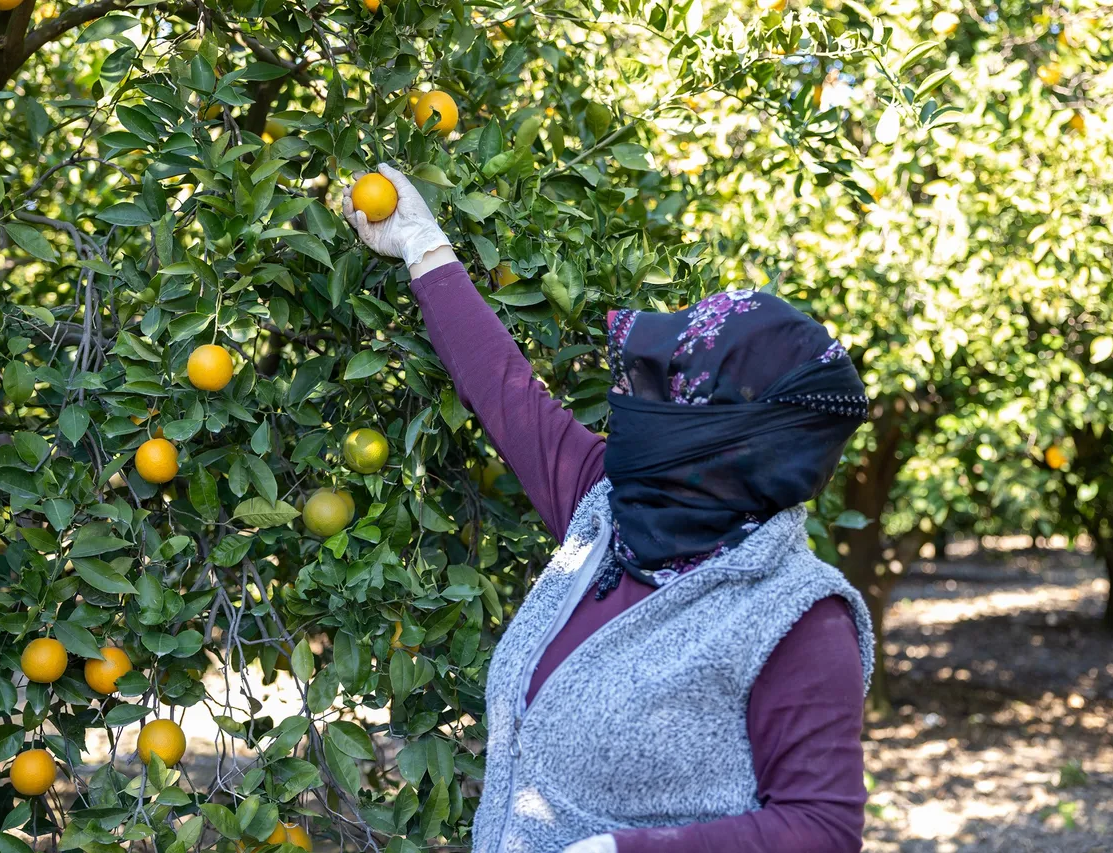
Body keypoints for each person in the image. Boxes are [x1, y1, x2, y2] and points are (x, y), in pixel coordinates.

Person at [343, 164, 875, 853]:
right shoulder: (613, 510)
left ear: (731, 440)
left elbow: (823, 828)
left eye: (679, 392)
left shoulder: (795, 616)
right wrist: (422, 244)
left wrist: (625, 852)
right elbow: (509, 396)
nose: (642, 406)